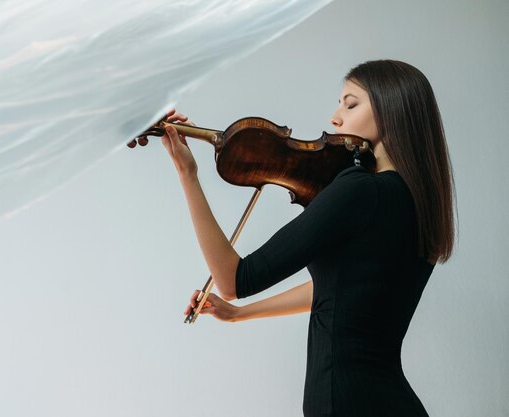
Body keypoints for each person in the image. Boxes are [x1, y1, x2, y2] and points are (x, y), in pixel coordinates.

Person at [161, 59, 455, 417]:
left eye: (351, 103)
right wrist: (240, 314)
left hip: (345, 403)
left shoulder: (359, 189)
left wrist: (187, 173)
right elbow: (339, 288)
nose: (336, 117)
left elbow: (233, 278)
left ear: (391, 109)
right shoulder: (418, 201)